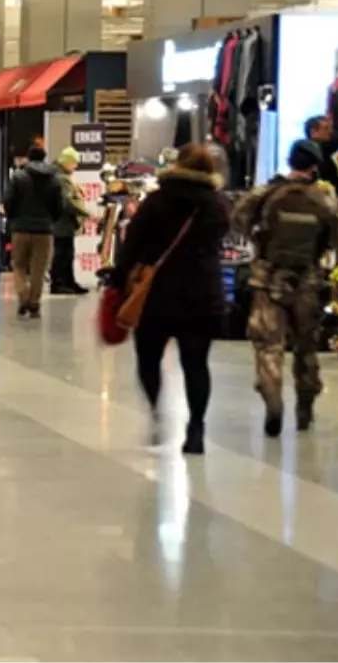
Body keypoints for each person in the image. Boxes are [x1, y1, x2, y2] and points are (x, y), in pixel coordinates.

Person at [110, 144, 229, 455]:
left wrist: (119, 281)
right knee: (196, 363)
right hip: (201, 292)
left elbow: (132, 244)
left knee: (148, 358)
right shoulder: (217, 204)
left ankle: (157, 411)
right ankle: (196, 428)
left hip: (156, 293)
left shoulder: (156, 201)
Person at [233, 139, 338, 438]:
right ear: (314, 166)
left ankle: (272, 398)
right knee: (306, 348)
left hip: (268, 279)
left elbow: (238, 219)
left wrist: (260, 243)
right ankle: (305, 405)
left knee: (268, 345)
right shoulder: (323, 199)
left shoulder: (267, 193)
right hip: (307, 283)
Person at [2, 146, 64, 318]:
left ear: (28, 158)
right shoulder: (54, 179)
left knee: (19, 265)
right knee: (39, 268)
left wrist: (13, 218)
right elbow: (60, 206)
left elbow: (8, 202)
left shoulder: (18, 177)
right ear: (44, 157)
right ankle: (34, 303)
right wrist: (51, 220)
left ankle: (23, 297)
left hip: (20, 229)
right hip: (44, 230)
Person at [51, 147, 91, 295]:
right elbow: (68, 202)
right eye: (74, 163)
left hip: (62, 222)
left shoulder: (59, 176)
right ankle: (60, 283)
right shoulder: (61, 178)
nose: (76, 166)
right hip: (62, 223)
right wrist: (87, 214)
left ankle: (68, 281)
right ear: (67, 162)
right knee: (62, 254)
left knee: (67, 253)